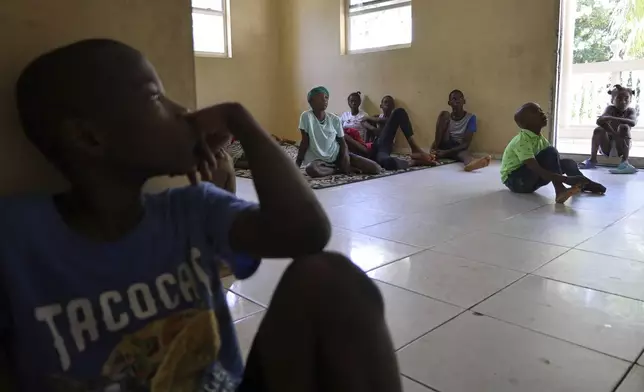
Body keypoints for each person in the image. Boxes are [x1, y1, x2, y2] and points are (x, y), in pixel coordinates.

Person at [1, 39, 402, 392]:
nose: (185, 111)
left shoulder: (191, 209)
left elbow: (306, 232)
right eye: (155, 98)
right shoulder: (16, 239)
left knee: (332, 279)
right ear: (90, 137)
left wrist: (240, 120)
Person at [500, 102, 606, 203]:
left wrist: (572, 176)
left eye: (540, 109)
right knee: (551, 151)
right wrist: (566, 179)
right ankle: (560, 189)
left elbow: (553, 163)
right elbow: (535, 168)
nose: (542, 113)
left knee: (567, 163)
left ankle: (584, 184)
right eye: (535, 111)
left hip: (529, 179)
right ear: (525, 123)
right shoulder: (522, 140)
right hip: (516, 181)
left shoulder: (540, 140)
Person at [296, 86, 382, 178]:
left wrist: (345, 159)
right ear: (311, 102)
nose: (325, 100)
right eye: (320, 98)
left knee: (376, 168)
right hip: (318, 160)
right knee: (311, 169)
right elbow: (304, 142)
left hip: (337, 156)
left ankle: (340, 167)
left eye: (326, 98)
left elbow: (342, 143)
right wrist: (296, 166)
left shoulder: (334, 119)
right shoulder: (306, 117)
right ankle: (337, 170)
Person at [348, 95, 436, 170]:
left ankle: (415, 149)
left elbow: (365, 121)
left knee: (399, 112)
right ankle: (414, 162)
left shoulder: (343, 133)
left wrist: (372, 129)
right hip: (374, 154)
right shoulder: (343, 141)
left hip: (379, 143)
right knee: (387, 162)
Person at [578, 84, 639, 174]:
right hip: (607, 146)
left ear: (630, 100)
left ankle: (625, 162)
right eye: (619, 99)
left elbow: (633, 122)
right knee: (598, 130)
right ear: (612, 100)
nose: (623, 102)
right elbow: (599, 121)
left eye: (626, 98)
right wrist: (613, 132)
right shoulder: (610, 109)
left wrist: (612, 118)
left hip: (621, 146)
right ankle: (593, 159)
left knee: (624, 127)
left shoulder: (631, 111)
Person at [432, 90, 491, 172]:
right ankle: (434, 152)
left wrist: (446, 153)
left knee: (465, 154)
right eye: (454, 99)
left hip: (457, 147)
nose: (457, 100)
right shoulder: (446, 117)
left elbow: (466, 144)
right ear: (449, 103)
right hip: (444, 143)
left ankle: (471, 164)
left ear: (464, 101)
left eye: (460, 98)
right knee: (444, 114)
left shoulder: (471, 118)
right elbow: (439, 135)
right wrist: (435, 148)